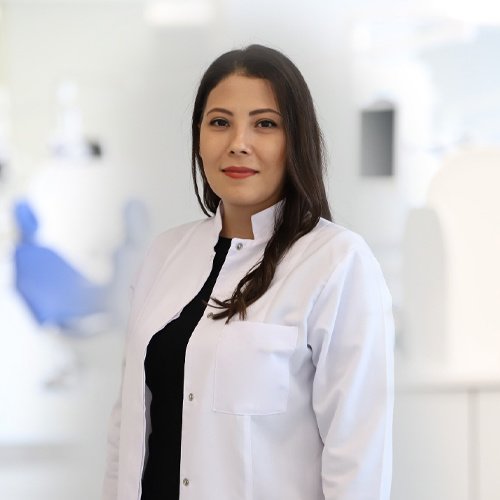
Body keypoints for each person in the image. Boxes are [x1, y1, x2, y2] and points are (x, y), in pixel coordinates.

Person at [103, 44, 394, 500]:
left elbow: (357, 456)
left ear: (296, 141)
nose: (238, 142)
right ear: (199, 137)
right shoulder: (164, 254)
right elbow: (126, 431)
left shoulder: (337, 261)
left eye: (265, 124)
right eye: (220, 122)